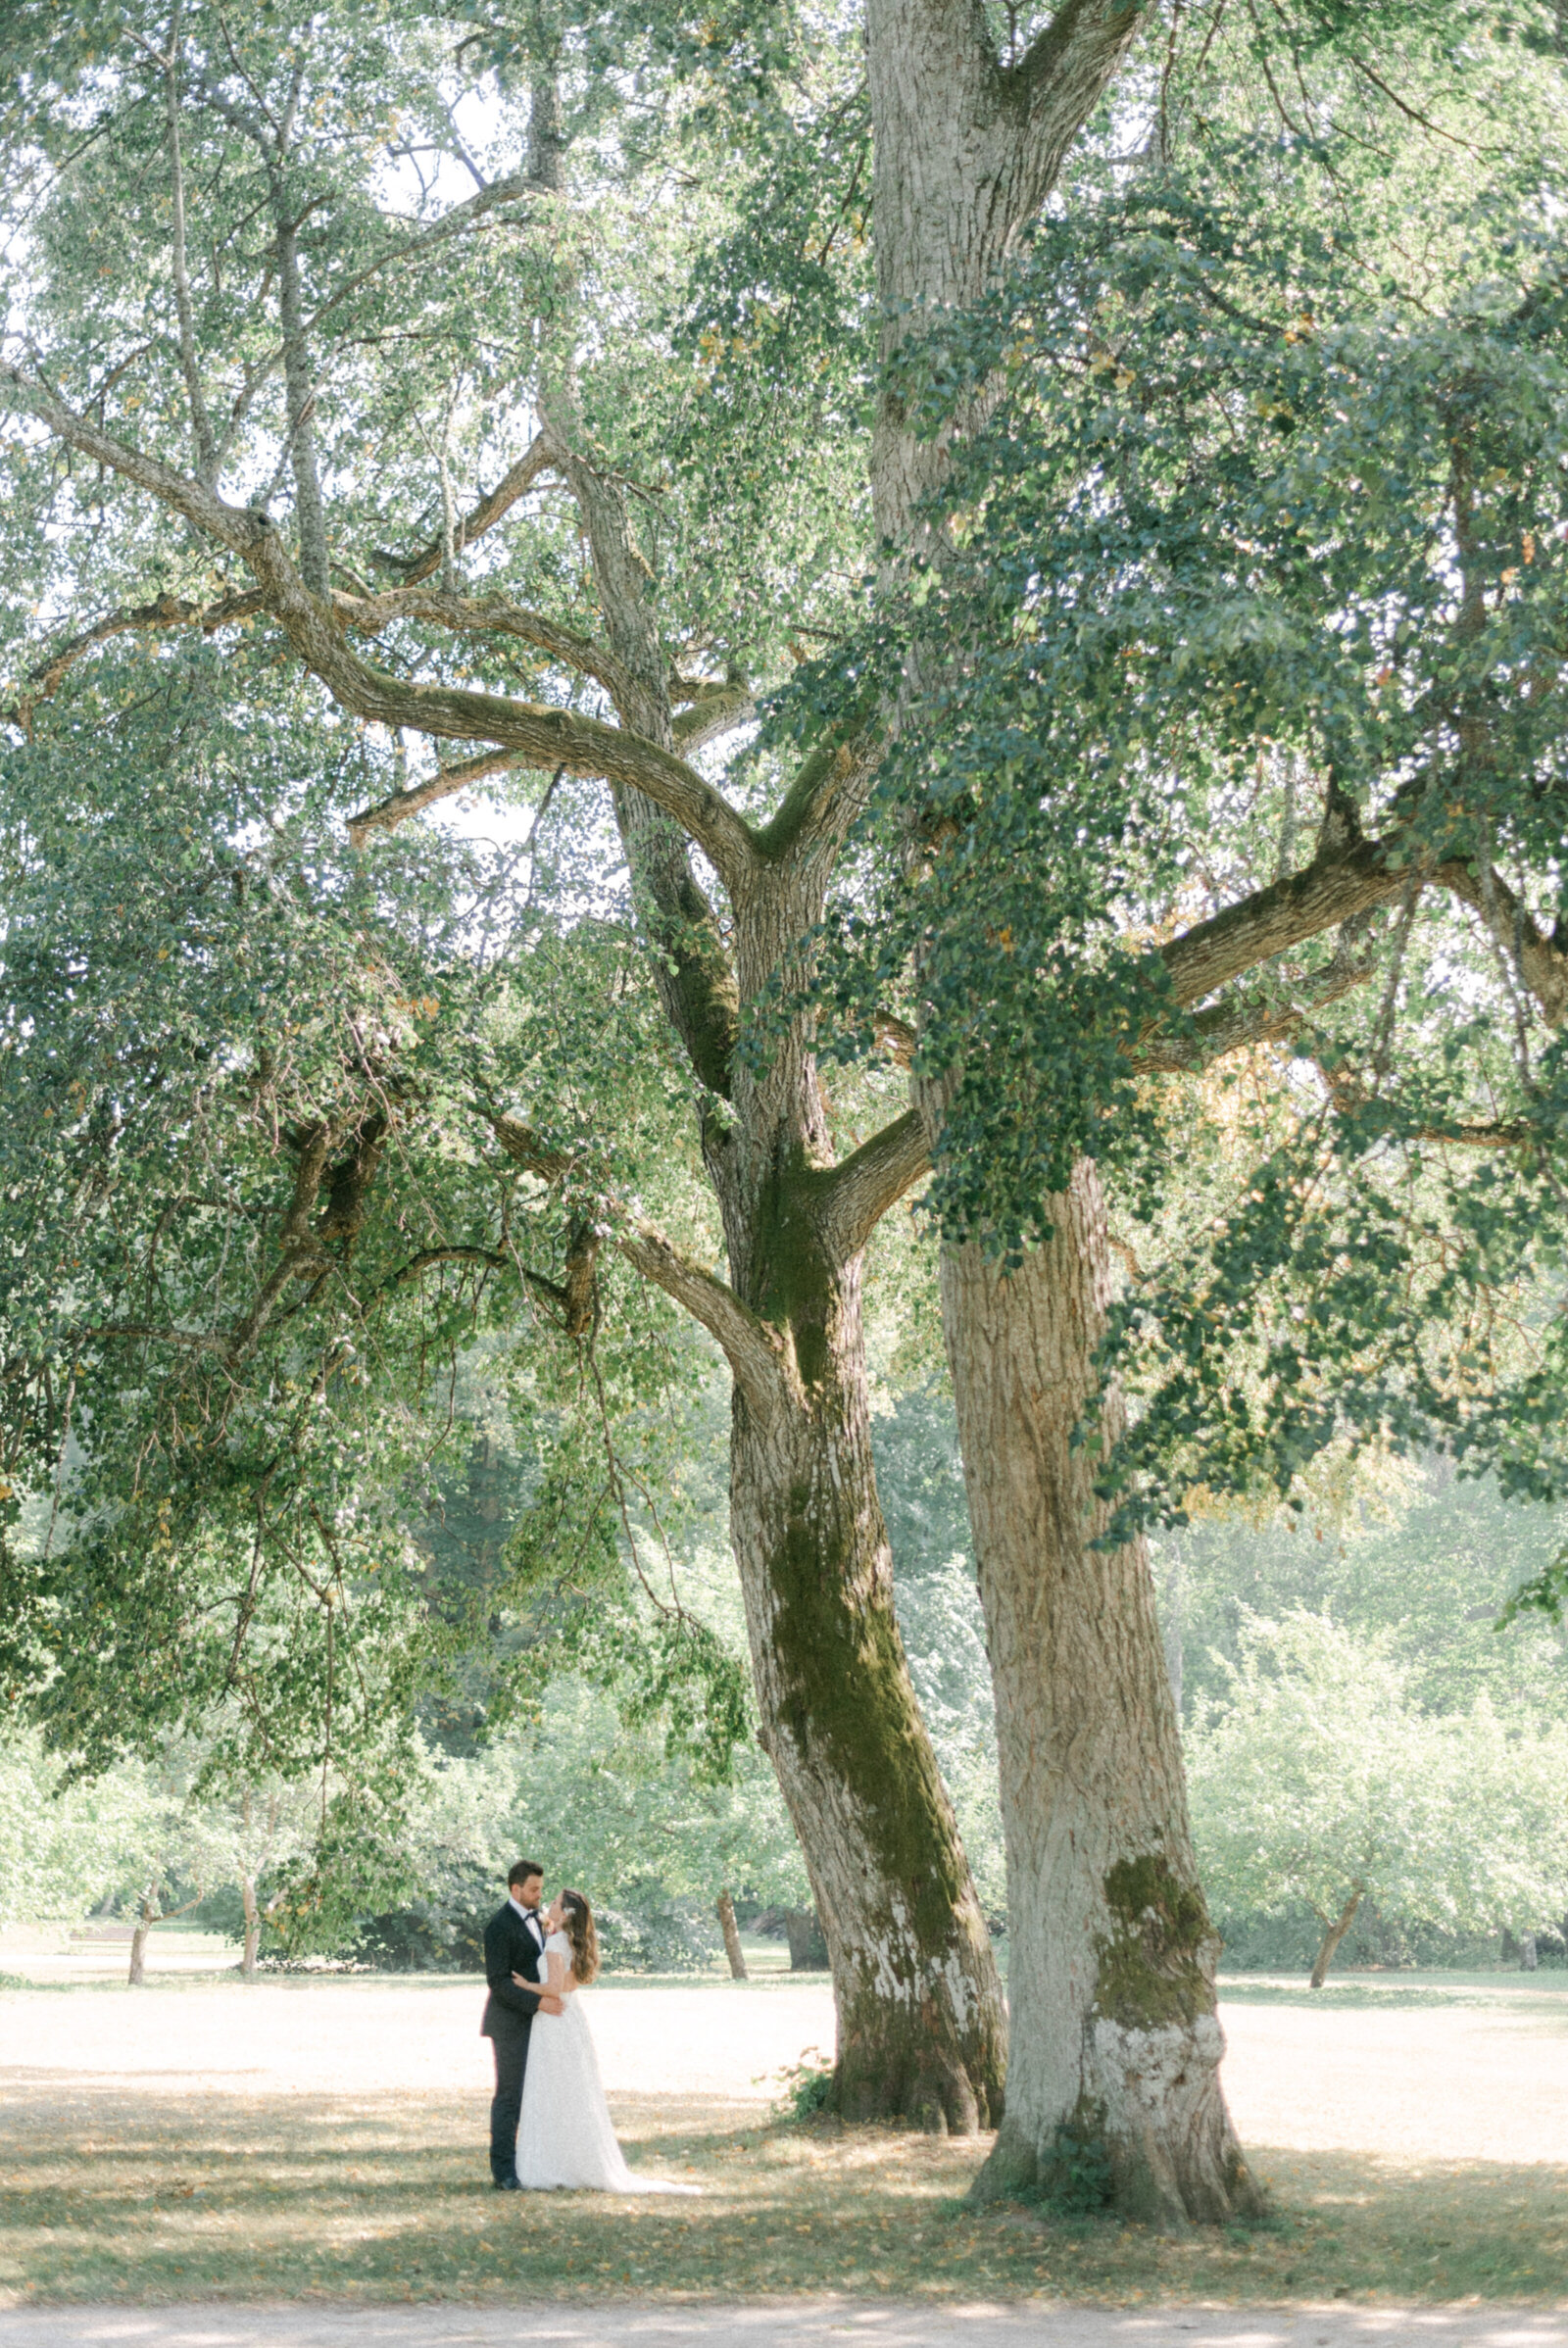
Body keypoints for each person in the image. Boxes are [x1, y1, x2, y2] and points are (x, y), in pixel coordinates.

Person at [513, 1887, 702, 2194]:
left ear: (566, 1913)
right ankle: (568, 2161)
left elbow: (554, 1988)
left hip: (554, 2023)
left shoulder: (557, 1941)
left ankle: (552, 2165)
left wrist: (525, 1985)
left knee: (552, 2088)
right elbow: (570, 1983)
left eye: (556, 1903)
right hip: (570, 2020)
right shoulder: (569, 1942)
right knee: (570, 2091)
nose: (550, 1904)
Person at [481, 1859, 563, 2190]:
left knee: (537, 2096)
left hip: (541, 2024)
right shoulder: (498, 1926)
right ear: (515, 1889)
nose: (539, 1895)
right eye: (533, 1889)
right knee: (510, 2097)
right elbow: (498, 1982)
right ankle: (503, 2172)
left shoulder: (541, 1921)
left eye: (541, 1889)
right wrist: (537, 2001)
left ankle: (533, 2164)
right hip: (510, 2023)